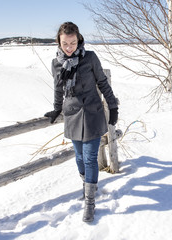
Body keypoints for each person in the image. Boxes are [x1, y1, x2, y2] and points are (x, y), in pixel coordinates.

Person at [44, 22, 118, 222]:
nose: (70, 47)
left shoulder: (90, 58)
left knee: (89, 157)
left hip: (93, 114)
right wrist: (57, 107)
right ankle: (87, 188)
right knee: (78, 158)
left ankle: (90, 202)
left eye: (73, 42)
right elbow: (59, 88)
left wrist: (113, 106)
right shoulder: (56, 63)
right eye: (65, 43)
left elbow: (102, 82)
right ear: (59, 42)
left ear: (79, 40)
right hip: (72, 115)